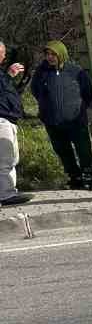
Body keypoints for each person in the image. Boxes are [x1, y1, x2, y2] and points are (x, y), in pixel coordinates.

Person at [31, 42, 92, 191]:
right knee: (62, 150)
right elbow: (35, 91)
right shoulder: (41, 72)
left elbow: (87, 93)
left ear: (61, 54)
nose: (50, 57)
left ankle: (90, 175)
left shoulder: (75, 71)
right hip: (52, 120)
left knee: (83, 149)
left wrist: (78, 109)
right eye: (47, 54)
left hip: (76, 120)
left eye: (53, 54)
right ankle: (74, 176)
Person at [0, 40, 29, 206]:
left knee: (11, 158)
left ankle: (9, 191)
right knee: (5, 159)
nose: (4, 56)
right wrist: (9, 75)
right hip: (2, 119)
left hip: (8, 119)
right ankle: (6, 195)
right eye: (2, 53)